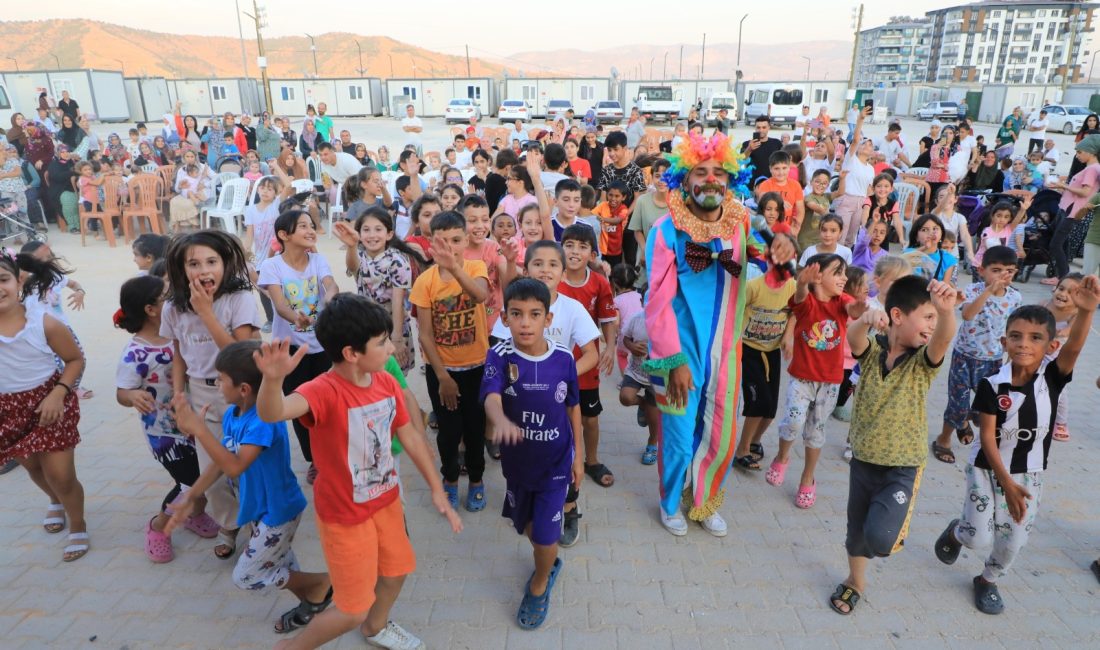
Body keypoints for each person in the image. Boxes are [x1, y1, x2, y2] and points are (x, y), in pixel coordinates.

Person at [254, 295, 462, 650]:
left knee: (396, 571)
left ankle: (376, 628)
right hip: (344, 517)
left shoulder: (384, 380)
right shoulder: (322, 391)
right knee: (352, 608)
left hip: (386, 503)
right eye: (381, 343)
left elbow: (408, 433)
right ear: (351, 353)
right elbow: (274, 413)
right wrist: (272, 382)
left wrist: (436, 488)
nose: (391, 350)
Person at [644, 132, 797, 536]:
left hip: (728, 351)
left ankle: (704, 499)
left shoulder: (743, 221)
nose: (710, 179)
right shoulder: (665, 230)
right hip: (678, 351)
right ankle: (670, 500)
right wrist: (673, 360)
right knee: (677, 435)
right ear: (684, 179)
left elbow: (771, 266)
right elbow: (656, 304)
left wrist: (780, 255)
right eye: (700, 171)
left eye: (718, 172)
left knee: (721, 434)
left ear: (731, 178)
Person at [934, 278, 1099, 614]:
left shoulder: (1052, 378)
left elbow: (1077, 347)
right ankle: (958, 531)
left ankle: (988, 580)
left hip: (1029, 476)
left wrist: (1086, 311)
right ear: (1003, 341)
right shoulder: (992, 384)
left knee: (1013, 541)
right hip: (986, 469)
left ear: (1051, 346)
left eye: (1036, 338)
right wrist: (1005, 483)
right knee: (977, 537)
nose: (1024, 344)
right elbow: (986, 437)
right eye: (1016, 336)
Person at [165, 339, 332, 633]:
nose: (217, 384)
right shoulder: (234, 414)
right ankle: (313, 600)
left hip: (278, 511)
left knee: (247, 575)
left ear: (243, 389)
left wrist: (199, 430)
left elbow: (235, 466)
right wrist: (191, 496)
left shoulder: (262, 422)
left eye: (221, 380)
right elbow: (221, 462)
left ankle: (320, 583)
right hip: (258, 507)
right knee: (279, 561)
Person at [829, 275, 957, 615]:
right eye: (927, 317)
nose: (931, 326)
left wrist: (944, 313)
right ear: (898, 316)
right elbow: (854, 338)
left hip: (902, 467)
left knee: (880, 539)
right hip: (863, 460)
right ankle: (855, 582)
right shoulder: (874, 353)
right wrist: (864, 320)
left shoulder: (921, 364)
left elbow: (943, 339)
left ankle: (889, 533)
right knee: (855, 531)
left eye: (934, 319)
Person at [481, 278, 582, 630]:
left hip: (556, 466)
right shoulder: (499, 355)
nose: (526, 322)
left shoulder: (564, 358)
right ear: (505, 319)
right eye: (517, 314)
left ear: (548, 318)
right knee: (525, 526)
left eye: (534, 314)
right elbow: (492, 397)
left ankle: (539, 584)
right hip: (518, 466)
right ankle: (547, 558)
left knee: (544, 535)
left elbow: (573, 409)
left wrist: (579, 456)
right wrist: (499, 421)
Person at [160, 231, 262, 559]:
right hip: (201, 390)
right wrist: (179, 395)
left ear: (225, 263)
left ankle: (262, 524)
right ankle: (229, 524)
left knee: (249, 465)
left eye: (211, 262)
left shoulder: (240, 297)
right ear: (181, 269)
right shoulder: (173, 308)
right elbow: (178, 353)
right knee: (212, 468)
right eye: (193, 263)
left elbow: (240, 354)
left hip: (242, 392)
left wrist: (206, 312)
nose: (204, 270)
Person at [114, 274, 218, 559]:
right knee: (189, 483)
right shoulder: (135, 353)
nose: (176, 299)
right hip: (165, 434)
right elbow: (122, 391)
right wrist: (133, 396)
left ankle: (195, 514)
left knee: (206, 476)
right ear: (151, 309)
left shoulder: (179, 334)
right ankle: (159, 527)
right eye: (167, 297)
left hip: (196, 422)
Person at [0, 250, 88, 561]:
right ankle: (54, 500)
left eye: (3, 279)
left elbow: (75, 359)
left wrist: (59, 393)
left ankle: (77, 523)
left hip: (51, 404)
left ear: (18, 281)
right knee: (35, 468)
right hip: (8, 412)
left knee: (60, 473)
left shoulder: (43, 322)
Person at [409, 211, 491, 511]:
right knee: (448, 432)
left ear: (466, 240)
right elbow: (426, 336)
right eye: (441, 242)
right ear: (430, 243)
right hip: (442, 372)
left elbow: (480, 295)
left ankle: (478, 480)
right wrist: (443, 376)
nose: (450, 247)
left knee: (474, 427)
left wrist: (456, 268)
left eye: (456, 241)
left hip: (477, 367)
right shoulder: (425, 282)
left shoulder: (475, 266)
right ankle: (450, 481)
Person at [766, 255, 863, 508]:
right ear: (818, 277)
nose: (844, 278)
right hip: (801, 377)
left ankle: (807, 477)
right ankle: (783, 455)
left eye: (845, 273)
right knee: (793, 422)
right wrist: (801, 283)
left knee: (815, 432)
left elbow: (854, 310)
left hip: (830, 381)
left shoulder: (843, 301)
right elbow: (799, 297)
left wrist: (863, 307)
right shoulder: (807, 302)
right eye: (838, 272)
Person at [257, 211, 339, 482]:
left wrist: (330, 298)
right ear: (284, 235)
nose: (310, 229)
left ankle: (331, 452)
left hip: (323, 345)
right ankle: (314, 458)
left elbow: (330, 284)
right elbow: (279, 304)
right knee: (299, 406)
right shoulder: (273, 266)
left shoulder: (318, 260)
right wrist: (296, 318)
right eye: (302, 226)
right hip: (290, 351)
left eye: (312, 225)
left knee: (328, 404)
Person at [931, 246, 1021, 465]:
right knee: (958, 403)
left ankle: (967, 420)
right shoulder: (972, 290)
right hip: (964, 357)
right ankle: (944, 440)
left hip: (993, 360)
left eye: (1009, 271)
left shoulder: (1015, 297)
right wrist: (988, 292)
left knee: (986, 406)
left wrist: (1012, 355)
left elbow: (1013, 328)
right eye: (997, 270)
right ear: (982, 271)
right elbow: (968, 315)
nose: (1003, 275)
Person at [557, 224, 618, 490]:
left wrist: (611, 348)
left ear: (592, 254)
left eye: (582, 247)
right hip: (555, 364)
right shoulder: (551, 280)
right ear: (561, 249)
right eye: (569, 245)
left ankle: (591, 461)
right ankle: (560, 460)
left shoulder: (599, 283)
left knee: (589, 418)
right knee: (556, 414)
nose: (574, 251)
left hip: (586, 363)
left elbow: (608, 319)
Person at [334, 207, 427, 373]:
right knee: (369, 373)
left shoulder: (397, 260)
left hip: (392, 324)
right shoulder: (359, 254)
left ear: (389, 234)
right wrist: (352, 246)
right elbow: (353, 267)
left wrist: (397, 339)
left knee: (393, 377)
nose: (372, 235)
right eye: (366, 230)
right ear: (360, 234)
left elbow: (398, 302)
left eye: (378, 229)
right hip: (365, 323)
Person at [1045, 135, 1100, 283]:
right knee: (1063, 243)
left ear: (1092, 152)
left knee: (1056, 244)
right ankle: (1063, 275)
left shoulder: (1092, 169)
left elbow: (1085, 192)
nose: (1077, 156)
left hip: (1072, 212)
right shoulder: (1091, 168)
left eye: (1080, 152)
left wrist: (1062, 186)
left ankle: (1063, 277)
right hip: (1069, 210)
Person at [741, 116, 783, 188]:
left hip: (773, 184)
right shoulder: (747, 144)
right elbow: (742, 160)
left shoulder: (776, 143)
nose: (761, 130)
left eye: (764, 127)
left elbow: (783, 162)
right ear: (755, 128)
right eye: (758, 127)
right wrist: (749, 148)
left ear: (769, 127)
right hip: (753, 185)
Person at [594, 181, 629, 268]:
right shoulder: (603, 205)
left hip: (615, 250)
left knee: (614, 274)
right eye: (610, 195)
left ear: (623, 197)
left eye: (617, 196)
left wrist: (603, 219)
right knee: (602, 272)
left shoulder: (624, 209)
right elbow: (592, 215)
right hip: (602, 248)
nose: (613, 198)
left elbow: (617, 220)